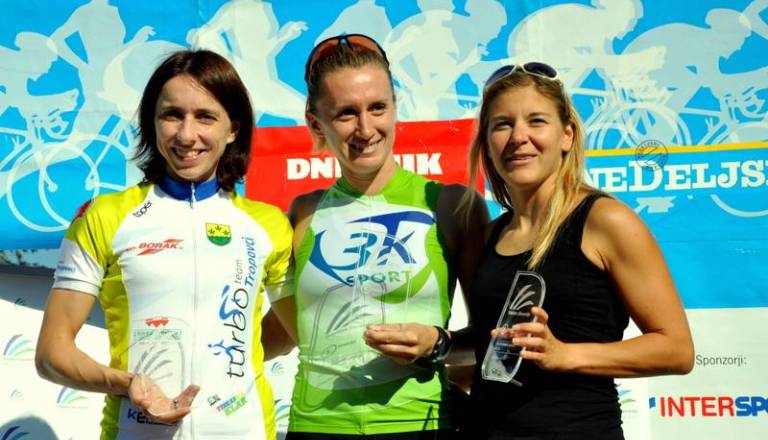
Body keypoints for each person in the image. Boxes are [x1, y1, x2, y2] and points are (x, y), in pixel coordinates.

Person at [35, 49, 292, 440]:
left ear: (233, 129)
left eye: (205, 116)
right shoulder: (104, 216)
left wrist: (229, 361)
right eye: (172, 115)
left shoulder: (268, 225)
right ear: (152, 123)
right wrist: (126, 383)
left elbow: (289, 332)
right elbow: (51, 354)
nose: (186, 135)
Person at [267, 33, 487, 439]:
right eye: (346, 113)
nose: (365, 128)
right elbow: (282, 334)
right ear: (315, 123)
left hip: (420, 425)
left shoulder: (453, 205)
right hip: (315, 428)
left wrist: (436, 344)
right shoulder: (301, 213)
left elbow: (488, 341)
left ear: (395, 109)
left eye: (377, 107)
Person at [459, 62, 694, 439]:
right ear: (486, 141)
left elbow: (676, 350)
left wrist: (565, 354)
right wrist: (434, 346)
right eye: (502, 124)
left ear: (566, 135)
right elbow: (490, 351)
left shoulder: (605, 220)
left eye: (536, 121)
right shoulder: (489, 235)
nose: (518, 137)